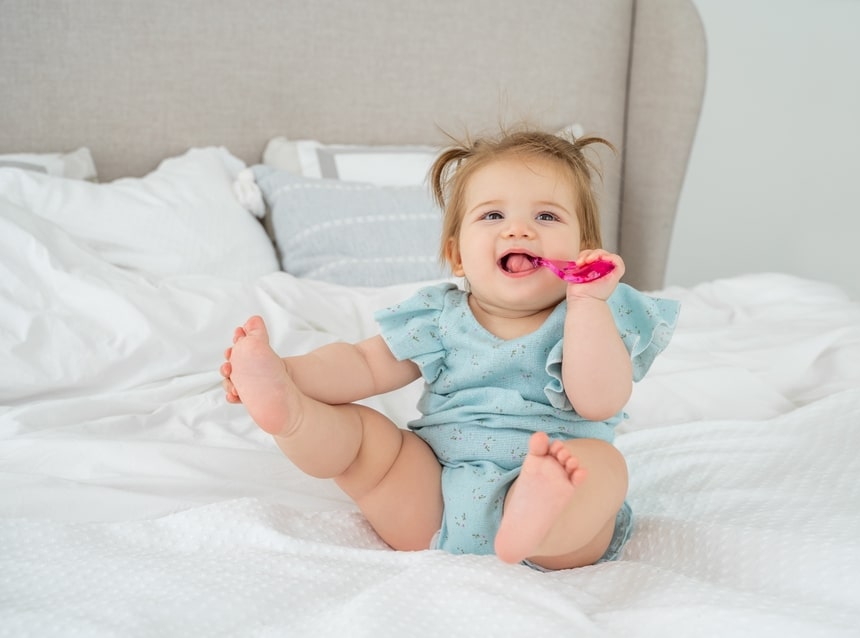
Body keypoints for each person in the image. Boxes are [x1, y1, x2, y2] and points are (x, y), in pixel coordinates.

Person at [220, 128, 679, 570]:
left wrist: (587, 303)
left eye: (546, 216)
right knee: (367, 438)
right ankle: (291, 413)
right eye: (493, 216)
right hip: (433, 499)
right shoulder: (438, 317)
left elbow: (599, 400)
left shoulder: (594, 314)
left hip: (561, 513)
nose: (518, 231)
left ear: (584, 253)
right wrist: (289, 372)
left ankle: (535, 514)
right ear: (458, 255)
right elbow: (362, 364)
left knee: (603, 468)